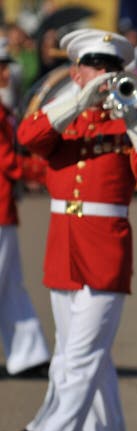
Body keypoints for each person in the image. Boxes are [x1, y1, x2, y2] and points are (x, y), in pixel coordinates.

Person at [5, 30, 137, 431]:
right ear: (77, 72)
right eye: (94, 66)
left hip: (106, 251)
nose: (103, 75)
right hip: (64, 248)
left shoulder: (130, 120)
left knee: (77, 359)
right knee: (85, 358)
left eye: (110, 68)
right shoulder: (65, 114)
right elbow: (28, 137)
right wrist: (78, 100)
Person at [0, 36, 50, 379]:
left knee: (11, 283)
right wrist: (50, 171)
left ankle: (27, 352)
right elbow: (7, 161)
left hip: (5, 207)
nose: (7, 74)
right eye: (2, 68)